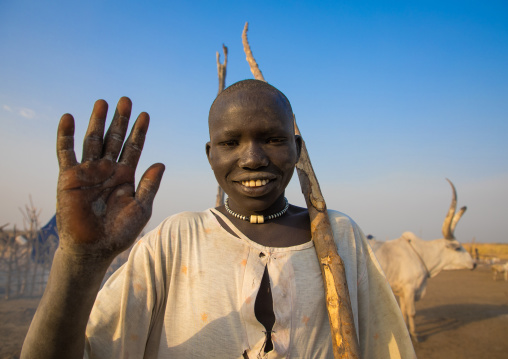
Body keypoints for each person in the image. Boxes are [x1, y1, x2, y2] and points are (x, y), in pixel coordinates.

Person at [21, 79, 415, 358]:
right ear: (210, 154)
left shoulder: (340, 237)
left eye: (273, 139)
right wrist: (79, 261)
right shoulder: (175, 240)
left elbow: (389, 347)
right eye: (231, 143)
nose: (252, 158)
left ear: (297, 149)